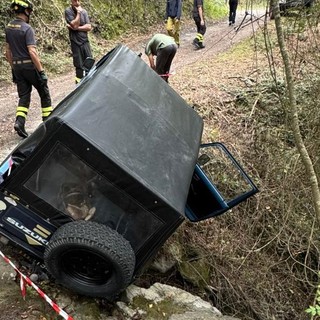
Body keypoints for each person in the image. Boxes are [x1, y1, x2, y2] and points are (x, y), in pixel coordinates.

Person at [5, 0, 53, 139]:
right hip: (29, 66)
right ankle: (48, 124)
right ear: (26, 11)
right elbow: (32, 52)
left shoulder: (9, 28)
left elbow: (7, 52)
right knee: (44, 92)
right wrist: (41, 71)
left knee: (24, 96)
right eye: (29, 11)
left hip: (17, 66)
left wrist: (13, 68)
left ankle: (19, 122)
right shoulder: (27, 28)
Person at [65, 0, 92, 84]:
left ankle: (91, 83)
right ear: (71, 1)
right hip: (75, 42)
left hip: (85, 41)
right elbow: (75, 24)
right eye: (74, 0)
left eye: (78, 0)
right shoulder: (68, 11)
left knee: (89, 62)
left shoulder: (84, 12)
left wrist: (76, 28)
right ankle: (79, 86)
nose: (76, 2)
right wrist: (78, 13)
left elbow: (89, 27)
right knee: (79, 66)